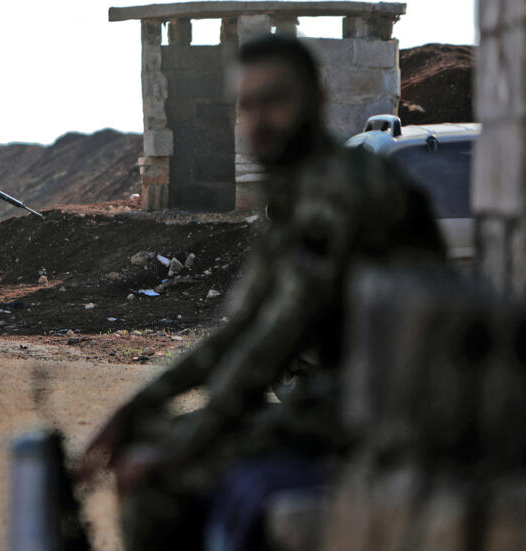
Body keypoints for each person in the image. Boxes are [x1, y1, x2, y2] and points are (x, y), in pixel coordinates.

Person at [76, 35, 447, 551]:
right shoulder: (293, 196)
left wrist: (192, 440)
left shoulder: (346, 190)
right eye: (247, 106)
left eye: (275, 100)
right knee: (151, 441)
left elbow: (267, 347)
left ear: (315, 102)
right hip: (338, 401)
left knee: (160, 475)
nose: (259, 119)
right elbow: (237, 330)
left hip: (385, 413)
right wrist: (131, 411)